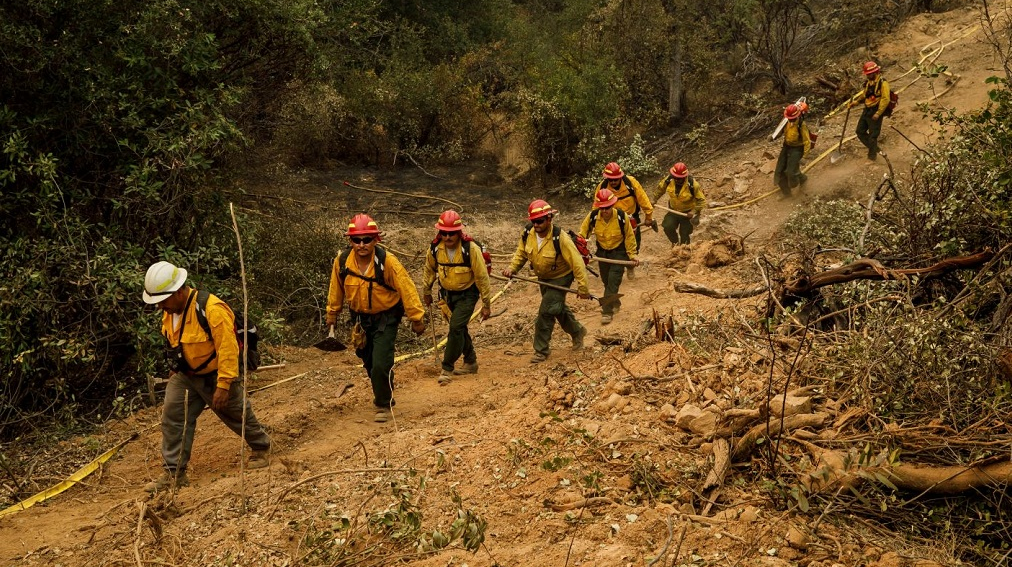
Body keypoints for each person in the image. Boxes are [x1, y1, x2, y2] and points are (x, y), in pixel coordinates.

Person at [141, 261, 272, 493]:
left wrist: (224, 385)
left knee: (234, 413)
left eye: (163, 300)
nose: (161, 306)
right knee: (173, 417)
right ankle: (174, 474)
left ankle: (262, 447)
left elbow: (228, 349)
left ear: (179, 291)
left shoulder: (211, 309)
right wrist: (175, 367)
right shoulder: (169, 311)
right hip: (186, 375)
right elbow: (174, 341)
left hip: (216, 373)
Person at [326, 213, 426, 422]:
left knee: (381, 363)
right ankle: (384, 384)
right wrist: (332, 314)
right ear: (350, 241)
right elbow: (336, 289)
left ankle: (383, 403)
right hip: (360, 321)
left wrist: (416, 318)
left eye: (367, 240)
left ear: (376, 240)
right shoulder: (342, 261)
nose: (362, 244)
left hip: (386, 318)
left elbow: (406, 289)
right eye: (357, 240)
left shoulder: (388, 262)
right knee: (370, 362)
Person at [503, 199, 590, 364]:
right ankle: (578, 332)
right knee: (556, 308)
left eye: (540, 221)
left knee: (546, 312)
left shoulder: (561, 238)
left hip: (562, 277)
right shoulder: (527, 233)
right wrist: (512, 269)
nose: (536, 224)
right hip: (543, 278)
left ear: (549, 219)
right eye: (533, 221)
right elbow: (521, 253)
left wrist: (583, 287)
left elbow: (577, 263)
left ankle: (541, 350)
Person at [422, 210, 492, 385]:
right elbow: (429, 270)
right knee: (459, 328)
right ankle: (470, 361)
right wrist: (427, 291)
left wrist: (486, 303)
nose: (447, 237)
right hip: (447, 294)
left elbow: (482, 277)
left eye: (451, 233)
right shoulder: (435, 249)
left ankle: (447, 367)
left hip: (468, 294)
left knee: (455, 328)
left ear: (459, 232)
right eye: (443, 233)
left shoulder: (471, 249)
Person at [578, 189, 639, 325]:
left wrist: (632, 255)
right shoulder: (593, 216)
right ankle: (615, 302)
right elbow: (582, 235)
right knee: (607, 282)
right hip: (602, 253)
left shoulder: (621, 217)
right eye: (602, 208)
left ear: (613, 205)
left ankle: (607, 311)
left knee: (612, 282)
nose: (605, 211)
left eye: (607, 207)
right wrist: (580, 248)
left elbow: (629, 237)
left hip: (619, 253)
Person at [597, 162, 653, 277]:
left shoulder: (630, 183)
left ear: (620, 176)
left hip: (632, 219)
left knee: (634, 244)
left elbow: (643, 199)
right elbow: (597, 206)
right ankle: (615, 270)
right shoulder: (602, 187)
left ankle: (630, 266)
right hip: (613, 220)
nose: (613, 182)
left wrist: (648, 216)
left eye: (615, 179)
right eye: (610, 179)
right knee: (616, 245)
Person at [652, 162, 706, 246]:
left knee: (684, 234)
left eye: (679, 178)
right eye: (675, 177)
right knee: (667, 226)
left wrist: (694, 211)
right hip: (673, 210)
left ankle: (684, 250)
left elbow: (701, 200)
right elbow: (660, 189)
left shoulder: (693, 185)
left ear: (684, 177)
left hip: (687, 213)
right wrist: (654, 199)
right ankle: (675, 244)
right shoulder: (669, 180)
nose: (676, 180)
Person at [853, 61, 890, 161]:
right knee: (860, 131)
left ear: (875, 72)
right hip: (867, 110)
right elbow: (866, 94)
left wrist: (878, 113)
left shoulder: (883, 83)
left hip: (875, 111)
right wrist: (856, 102)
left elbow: (886, 99)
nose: (868, 76)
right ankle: (876, 149)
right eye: (867, 74)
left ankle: (872, 157)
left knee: (873, 136)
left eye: (869, 74)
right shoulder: (869, 83)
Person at [773, 103, 811, 197]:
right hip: (786, 147)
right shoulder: (786, 121)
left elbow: (807, 141)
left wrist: (804, 156)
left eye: (792, 118)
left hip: (797, 149)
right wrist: (773, 136)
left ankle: (802, 179)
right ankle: (786, 193)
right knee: (779, 171)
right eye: (789, 118)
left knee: (790, 171)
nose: (790, 119)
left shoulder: (801, 125)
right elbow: (780, 131)